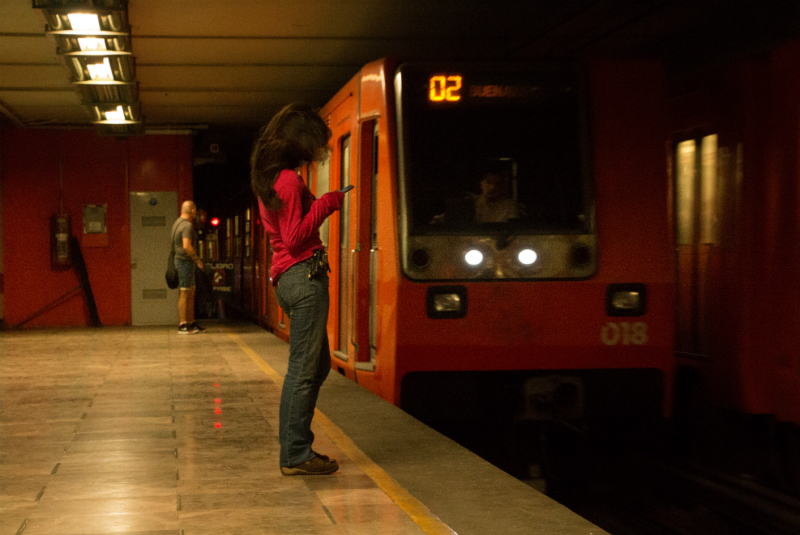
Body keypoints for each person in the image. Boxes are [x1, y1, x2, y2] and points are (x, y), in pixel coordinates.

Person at [250, 102, 347, 476]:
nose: (319, 151)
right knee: (303, 370)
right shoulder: (288, 179)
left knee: (316, 364)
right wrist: (326, 203)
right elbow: (293, 238)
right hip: (303, 276)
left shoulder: (268, 178)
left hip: (288, 279)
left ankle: (296, 443)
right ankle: (295, 451)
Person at [171, 200, 206, 334]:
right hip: (185, 262)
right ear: (192, 211)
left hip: (182, 261)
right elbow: (187, 246)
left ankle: (191, 323)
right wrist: (197, 260)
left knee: (190, 292)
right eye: (195, 210)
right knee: (185, 292)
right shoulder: (187, 226)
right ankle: (183, 324)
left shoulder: (176, 224)